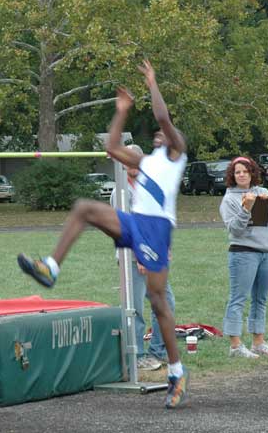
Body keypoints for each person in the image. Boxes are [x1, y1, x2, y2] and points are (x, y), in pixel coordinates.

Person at [17, 59, 189, 409]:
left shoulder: (176, 154)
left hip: (156, 230)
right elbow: (111, 148)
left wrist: (152, 82)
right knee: (84, 208)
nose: (159, 135)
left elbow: (163, 119)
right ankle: (51, 267)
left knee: (157, 302)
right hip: (135, 220)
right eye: (156, 137)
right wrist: (122, 110)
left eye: (163, 135)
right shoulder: (146, 161)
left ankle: (176, 370)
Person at [110, 142, 176, 371]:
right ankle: (136, 355)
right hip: (132, 260)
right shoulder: (119, 193)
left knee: (167, 304)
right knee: (135, 309)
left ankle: (157, 352)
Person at [219, 156, 268, 359]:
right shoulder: (229, 199)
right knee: (238, 299)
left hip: (267, 252)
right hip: (243, 253)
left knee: (260, 299)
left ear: (252, 173)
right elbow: (235, 229)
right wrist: (246, 208)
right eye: (237, 172)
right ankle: (236, 346)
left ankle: (258, 343)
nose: (242, 175)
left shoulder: (262, 192)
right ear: (232, 175)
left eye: (245, 171)